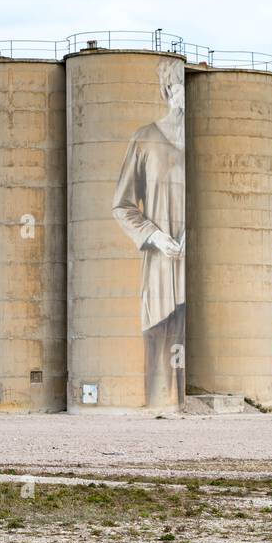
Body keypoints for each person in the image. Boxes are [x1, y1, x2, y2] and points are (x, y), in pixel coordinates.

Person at [112, 59, 186, 407]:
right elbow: (122, 204)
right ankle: (156, 407)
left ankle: (181, 404)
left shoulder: (204, 142)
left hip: (197, 273)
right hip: (159, 271)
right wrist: (155, 236)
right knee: (159, 340)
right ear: (167, 90)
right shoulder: (144, 139)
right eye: (179, 87)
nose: (184, 96)